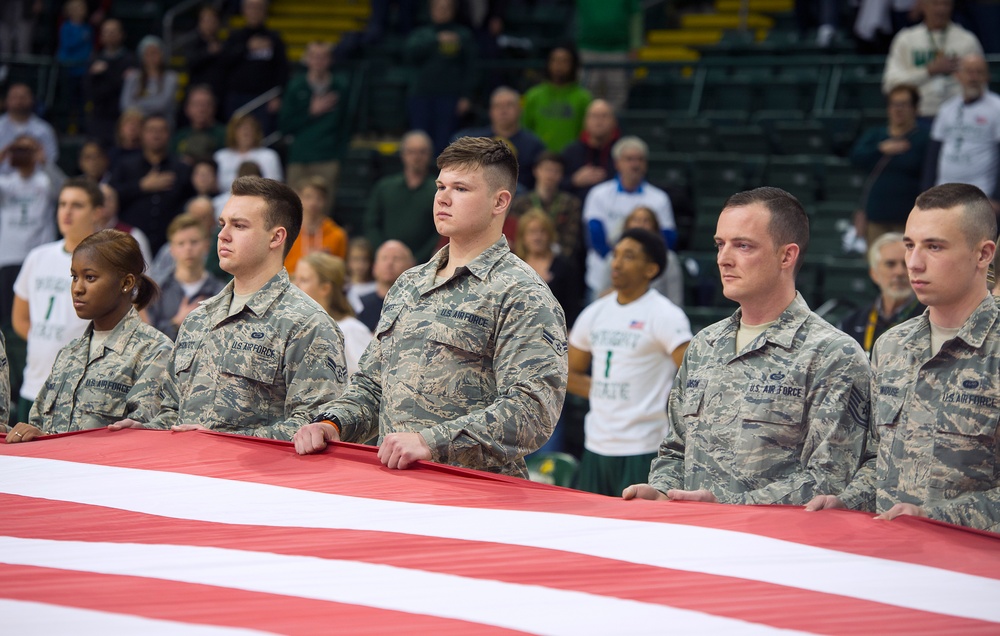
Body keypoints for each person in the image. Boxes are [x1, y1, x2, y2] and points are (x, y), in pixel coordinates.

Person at [292, 137, 569, 477]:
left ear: (500, 202)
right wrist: (332, 424)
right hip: (396, 485)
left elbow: (533, 411)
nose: (443, 197)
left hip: (474, 494)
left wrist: (431, 442)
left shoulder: (521, 292)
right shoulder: (409, 284)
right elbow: (371, 386)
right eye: (440, 186)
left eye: (461, 188)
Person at [622, 187, 871, 505]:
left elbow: (829, 480)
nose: (724, 259)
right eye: (720, 244)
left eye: (743, 246)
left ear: (786, 255)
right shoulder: (704, 346)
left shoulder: (833, 355)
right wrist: (661, 491)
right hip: (694, 540)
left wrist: (725, 508)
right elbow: (676, 450)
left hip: (775, 548)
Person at [807, 183, 999, 532]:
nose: (914, 262)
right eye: (910, 245)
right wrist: (846, 501)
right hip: (894, 562)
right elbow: (878, 461)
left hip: (976, 571)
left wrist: (934, 518)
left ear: (983, 254)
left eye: (934, 247)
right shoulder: (892, 346)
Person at [110, 176, 347, 440]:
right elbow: (172, 411)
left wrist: (222, 441)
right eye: (223, 224)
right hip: (184, 474)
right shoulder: (199, 318)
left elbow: (315, 429)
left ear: (276, 237)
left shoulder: (308, 324)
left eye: (239, 225)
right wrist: (147, 430)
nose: (222, 235)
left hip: (252, 479)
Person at [5, 230, 171, 442]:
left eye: (90, 277)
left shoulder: (154, 352)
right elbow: (39, 425)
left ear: (126, 283)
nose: (77, 289)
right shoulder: (69, 353)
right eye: (74, 277)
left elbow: (140, 441)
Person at [569, 229, 691, 496]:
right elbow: (568, 372)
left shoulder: (666, 315)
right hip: (597, 445)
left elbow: (695, 378)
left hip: (644, 446)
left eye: (629, 256)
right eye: (616, 255)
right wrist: (603, 390)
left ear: (650, 269)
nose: (617, 263)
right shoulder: (595, 312)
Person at [11, 178, 101, 423]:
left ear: (97, 212)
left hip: (80, 391)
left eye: (77, 205)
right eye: (62, 204)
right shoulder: (37, 257)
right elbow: (20, 319)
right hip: (34, 385)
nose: (67, 212)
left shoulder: (106, 261)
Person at [583, 136, 676, 298]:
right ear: (617, 163)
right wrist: (621, 262)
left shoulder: (659, 198)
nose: (635, 164)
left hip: (649, 281)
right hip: (603, 276)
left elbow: (667, 239)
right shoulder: (598, 194)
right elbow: (595, 237)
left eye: (640, 160)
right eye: (629, 159)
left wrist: (639, 266)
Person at [851, 84, 931, 246]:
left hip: (908, 219)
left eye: (904, 104)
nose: (898, 109)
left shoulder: (924, 139)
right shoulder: (876, 135)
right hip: (876, 216)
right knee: (877, 265)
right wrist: (880, 149)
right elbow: (855, 158)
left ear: (915, 108)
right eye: (894, 104)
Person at [882, 0, 982, 119]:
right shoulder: (906, 39)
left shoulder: (967, 40)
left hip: (958, 116)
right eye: (935, 3)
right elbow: (890, 84)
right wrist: (928, 71)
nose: (940, 9)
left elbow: (981, 83)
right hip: (918, 117)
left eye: (945, 4)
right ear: (923, 5)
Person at [110, 114, 194, 254]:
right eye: (151, 130)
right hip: (129, 241)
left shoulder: (181, 167)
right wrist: (141, 186)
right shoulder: (125, 165)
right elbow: (112, 195)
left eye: (161, 130)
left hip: (171, 243)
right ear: (142, 134)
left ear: (169, 135)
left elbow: (189, 201)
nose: (156, 134)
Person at [278, 40, 349, 206]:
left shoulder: (340, 87)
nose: (318, 61)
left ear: (330, 60)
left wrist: (339, 153)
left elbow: (347, 123)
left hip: (328, 158)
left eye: (323, 57)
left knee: (322, 209)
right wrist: (310, 113)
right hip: (299, 157)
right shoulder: (296, 86)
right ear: (307, 59)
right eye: (314, 57)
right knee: (293, 209)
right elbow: (284, 125)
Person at [924, 54, 1000, 203]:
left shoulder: (997, 107)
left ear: (987, 77)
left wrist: (997, 197)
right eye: (969, 71)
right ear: (958, 75)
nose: (973, 77)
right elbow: (933, 153)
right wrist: (926, 189)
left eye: (979, 72)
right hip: (943, 192)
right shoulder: (947, 108)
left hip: (981, 194)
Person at [404, 0, 477, 155]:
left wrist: (467, 96)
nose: (442, 11)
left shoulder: (463, 35)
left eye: (447, 7)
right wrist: (436, 40)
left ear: (453, 10)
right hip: (421, 95)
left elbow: (472, 67)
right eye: (438, 7)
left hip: (450, 97)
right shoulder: (421, 34)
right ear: (431, 10)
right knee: (421, 141)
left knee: (446, 143)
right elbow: (409, 54)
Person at [0, 136, 59, 323]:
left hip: (40, 253)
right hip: (9, 256)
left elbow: (63, 190)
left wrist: (45, 162)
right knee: (10, 318)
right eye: (19, 149)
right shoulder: (6, 182)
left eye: (28, 150)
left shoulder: (45, 180)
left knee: (38, 315)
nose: (23, 154)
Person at [839, 232, 925, 357]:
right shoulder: (851, 323)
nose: (899, 272)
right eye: (890, 264)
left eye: (905, 264)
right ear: (874, 274)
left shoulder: (932, 320)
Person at [145, 213, 225, 340]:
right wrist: (176, 323)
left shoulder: (221, 292)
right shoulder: (156, 290)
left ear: (206, 245)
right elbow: (146, 337)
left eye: (194, 242)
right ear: (171, 249)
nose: (188, 248)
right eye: (181, 243)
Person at [364, 130, 439, 264]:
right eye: (411, 152)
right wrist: (385, 254)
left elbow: (439, 233)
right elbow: (371, 223)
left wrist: (417, 259)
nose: (417, 157)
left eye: (422, 152)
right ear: (403, 154)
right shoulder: (384, 187)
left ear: (430, 155)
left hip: (424, 262)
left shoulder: (438, 190)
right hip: (387, 261)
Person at [293, 252, 372, 377]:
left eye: (303, 280)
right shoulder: (297, 327)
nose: (294, 286)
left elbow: (369, 380)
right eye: (294, 278)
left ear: (325, 288)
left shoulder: (350, 329)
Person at [219, 0, 288, 133]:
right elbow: (224, 63)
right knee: (235, 135)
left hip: (264, 98)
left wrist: (278, 95)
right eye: (251, 7)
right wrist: (246, 48)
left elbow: (282, 69)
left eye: (259, 8)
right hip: (237, 97)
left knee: (262, 135)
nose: (255, 12)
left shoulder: (274, 38)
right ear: (244, 10)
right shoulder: (235, 37)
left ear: (265, 11)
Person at [458, 86, 545, 191]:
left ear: (520, 110)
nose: (503, 110)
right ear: (490, 111)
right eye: (498, 106)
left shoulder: (534, 145)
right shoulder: (474, 141)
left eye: (509, 105)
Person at [510, 152, 584, 265]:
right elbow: (516, 235)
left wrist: (556, 262)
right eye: (547, 169)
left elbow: (571, 240)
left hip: (559, 263)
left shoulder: (571, 204)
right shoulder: (520, 203)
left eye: (556, 171)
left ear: (562, 174)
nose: (550, 175)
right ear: (536, 171)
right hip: (523, 260)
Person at [515, 209, 581, 326]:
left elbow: (572, 306)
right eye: (532, 232)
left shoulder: (564, 266)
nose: (537, 237)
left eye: (542, 232)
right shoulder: (514, 266)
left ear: (550, 235)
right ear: (523, 237)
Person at [522, 45, 592, 153]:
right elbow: (524, 129)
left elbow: (587, 133)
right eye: (555, 60)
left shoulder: (583, 98)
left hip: (572, 158)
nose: (559, 65)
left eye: (564, 61)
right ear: (548, 63)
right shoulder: (533, 96)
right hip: (539, 159)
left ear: (573, 65)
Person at [575, 0, 642, 111]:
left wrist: (635, 44)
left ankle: (615, 127)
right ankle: (589, 127)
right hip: (588, 48)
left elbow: (635, 14)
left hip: (618, 49)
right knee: (587, 93)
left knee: (618, 94)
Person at [83, 18, 135, 146]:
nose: (110, 35)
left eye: (113, 32)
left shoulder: (131, 60)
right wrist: (117, 78)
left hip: (122, 115)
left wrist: (105, 76)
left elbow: (128, 89)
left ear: (122, 34)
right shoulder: (94, 59)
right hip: (99, 116)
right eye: (106, 32)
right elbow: (89, 91)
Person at [283, 176, 347, 273]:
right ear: (299, 198)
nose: (313, 203)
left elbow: (340, 272)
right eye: (308, 197)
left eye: (318, 198)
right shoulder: (286, 232)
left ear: (325, 201)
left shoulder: (337, 234)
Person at [561, 99, 620, 203]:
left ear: (614, 121)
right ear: (585, 121)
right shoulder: (571, 151)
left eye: (604, 116)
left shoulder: (623, 152)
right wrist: (574, 181)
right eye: (594, 116)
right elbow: (557, 183)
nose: (599, 121)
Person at [623, 206, 684, 307]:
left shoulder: (668, 259)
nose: (640, 225)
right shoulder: (613, 258)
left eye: (646, 221)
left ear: (654, 226)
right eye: (636, 220)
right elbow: (601, 297)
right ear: (627, 225)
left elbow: (676, 300)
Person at [355, 240, 416, 332]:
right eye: (384, 258)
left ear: (411, 266)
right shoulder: (359, 305)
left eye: (396, 258)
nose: (389, 263)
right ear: (374, 267)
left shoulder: (419, 304)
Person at [214, 114, 283, 193]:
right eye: (241, 127)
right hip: (225, 199)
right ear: (233, 132)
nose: (246, 131)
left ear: (256, 132)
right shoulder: (220, 156)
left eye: (250, 128)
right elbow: (215, 185)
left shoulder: (269, 156)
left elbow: (275, 186)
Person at [120, 35, 180, 126]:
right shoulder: (133, 76)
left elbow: (162, 104)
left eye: (154, 53)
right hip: (138, 123)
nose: (151, 57)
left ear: (162, 54)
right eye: (147, 54)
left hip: (162, 123)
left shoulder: (171, 77)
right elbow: (125, 105)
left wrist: (138, 106)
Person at [0, 84, 58, 175]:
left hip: (37, 182)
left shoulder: (44, 129)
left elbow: (51, 161)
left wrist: (40, 158)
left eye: (23, 97)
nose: (19, 101)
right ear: (6, 101)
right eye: (14, 97)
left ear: (32, 100)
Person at [94, 183, 152, 266]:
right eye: (100, 199)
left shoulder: (133, 235)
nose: (104, 203)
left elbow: (146, 272)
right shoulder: (82, 233)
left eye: (109, 199)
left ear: (117, 203)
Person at [184, 5, 227, 111]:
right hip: (197, 97)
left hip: (220, 97)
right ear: (199, 23)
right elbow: (190, 63)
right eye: (206, 20)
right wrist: (208, 53)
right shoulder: (192, 44)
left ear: (218, 23)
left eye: (212, 20)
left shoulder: (226, 45)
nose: (209, 24)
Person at [171, 85, 227, 163]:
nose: (201, 109)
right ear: (187, 109)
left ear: (214, 108)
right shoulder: (178, 137)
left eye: (206, 105)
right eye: (196, 104)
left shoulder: (225, 135)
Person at [346, 236, 376, 312]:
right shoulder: (343, 288)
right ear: (348, 260)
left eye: (364, 259)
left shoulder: (376, 288)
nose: (360, 265)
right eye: (355, 259)